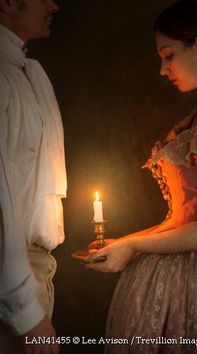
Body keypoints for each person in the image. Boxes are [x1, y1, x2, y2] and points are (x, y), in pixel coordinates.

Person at [86, 0, 197, 353]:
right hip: (178, 272)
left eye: (168, 55)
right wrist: (123, 242)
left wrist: (134, 244)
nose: (162, 69)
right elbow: (183, 217)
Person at [0, 1, 67, 354]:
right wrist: (25, 311)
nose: (54, 5)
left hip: (35, 271)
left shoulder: (30, 72)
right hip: (11, 283)